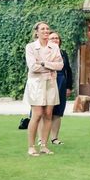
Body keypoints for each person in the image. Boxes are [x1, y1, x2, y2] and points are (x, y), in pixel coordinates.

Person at [23, 22, 64, 156]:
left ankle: (44, 146)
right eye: (43, 29)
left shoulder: (55, 47)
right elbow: (33, 67)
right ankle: (31, 146)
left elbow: (60, 66)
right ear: (37, 32)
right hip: (36, 84)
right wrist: (50, 66)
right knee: (37, 114)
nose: (46, 31)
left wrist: (44, 63)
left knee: (48, 114)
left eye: (47, 29)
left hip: (51, 83)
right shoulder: (30, 47)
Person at [47, 32, 73, 145]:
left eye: (57, 38)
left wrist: (69, 86)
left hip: (61, 82)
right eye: (52, 38)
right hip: (48, 81)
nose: (55, 40)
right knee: (46, 111)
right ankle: (41, 138)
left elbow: (69, 70)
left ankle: (54, 138)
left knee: (58, 112)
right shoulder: (44, 52)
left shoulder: (63, 53)